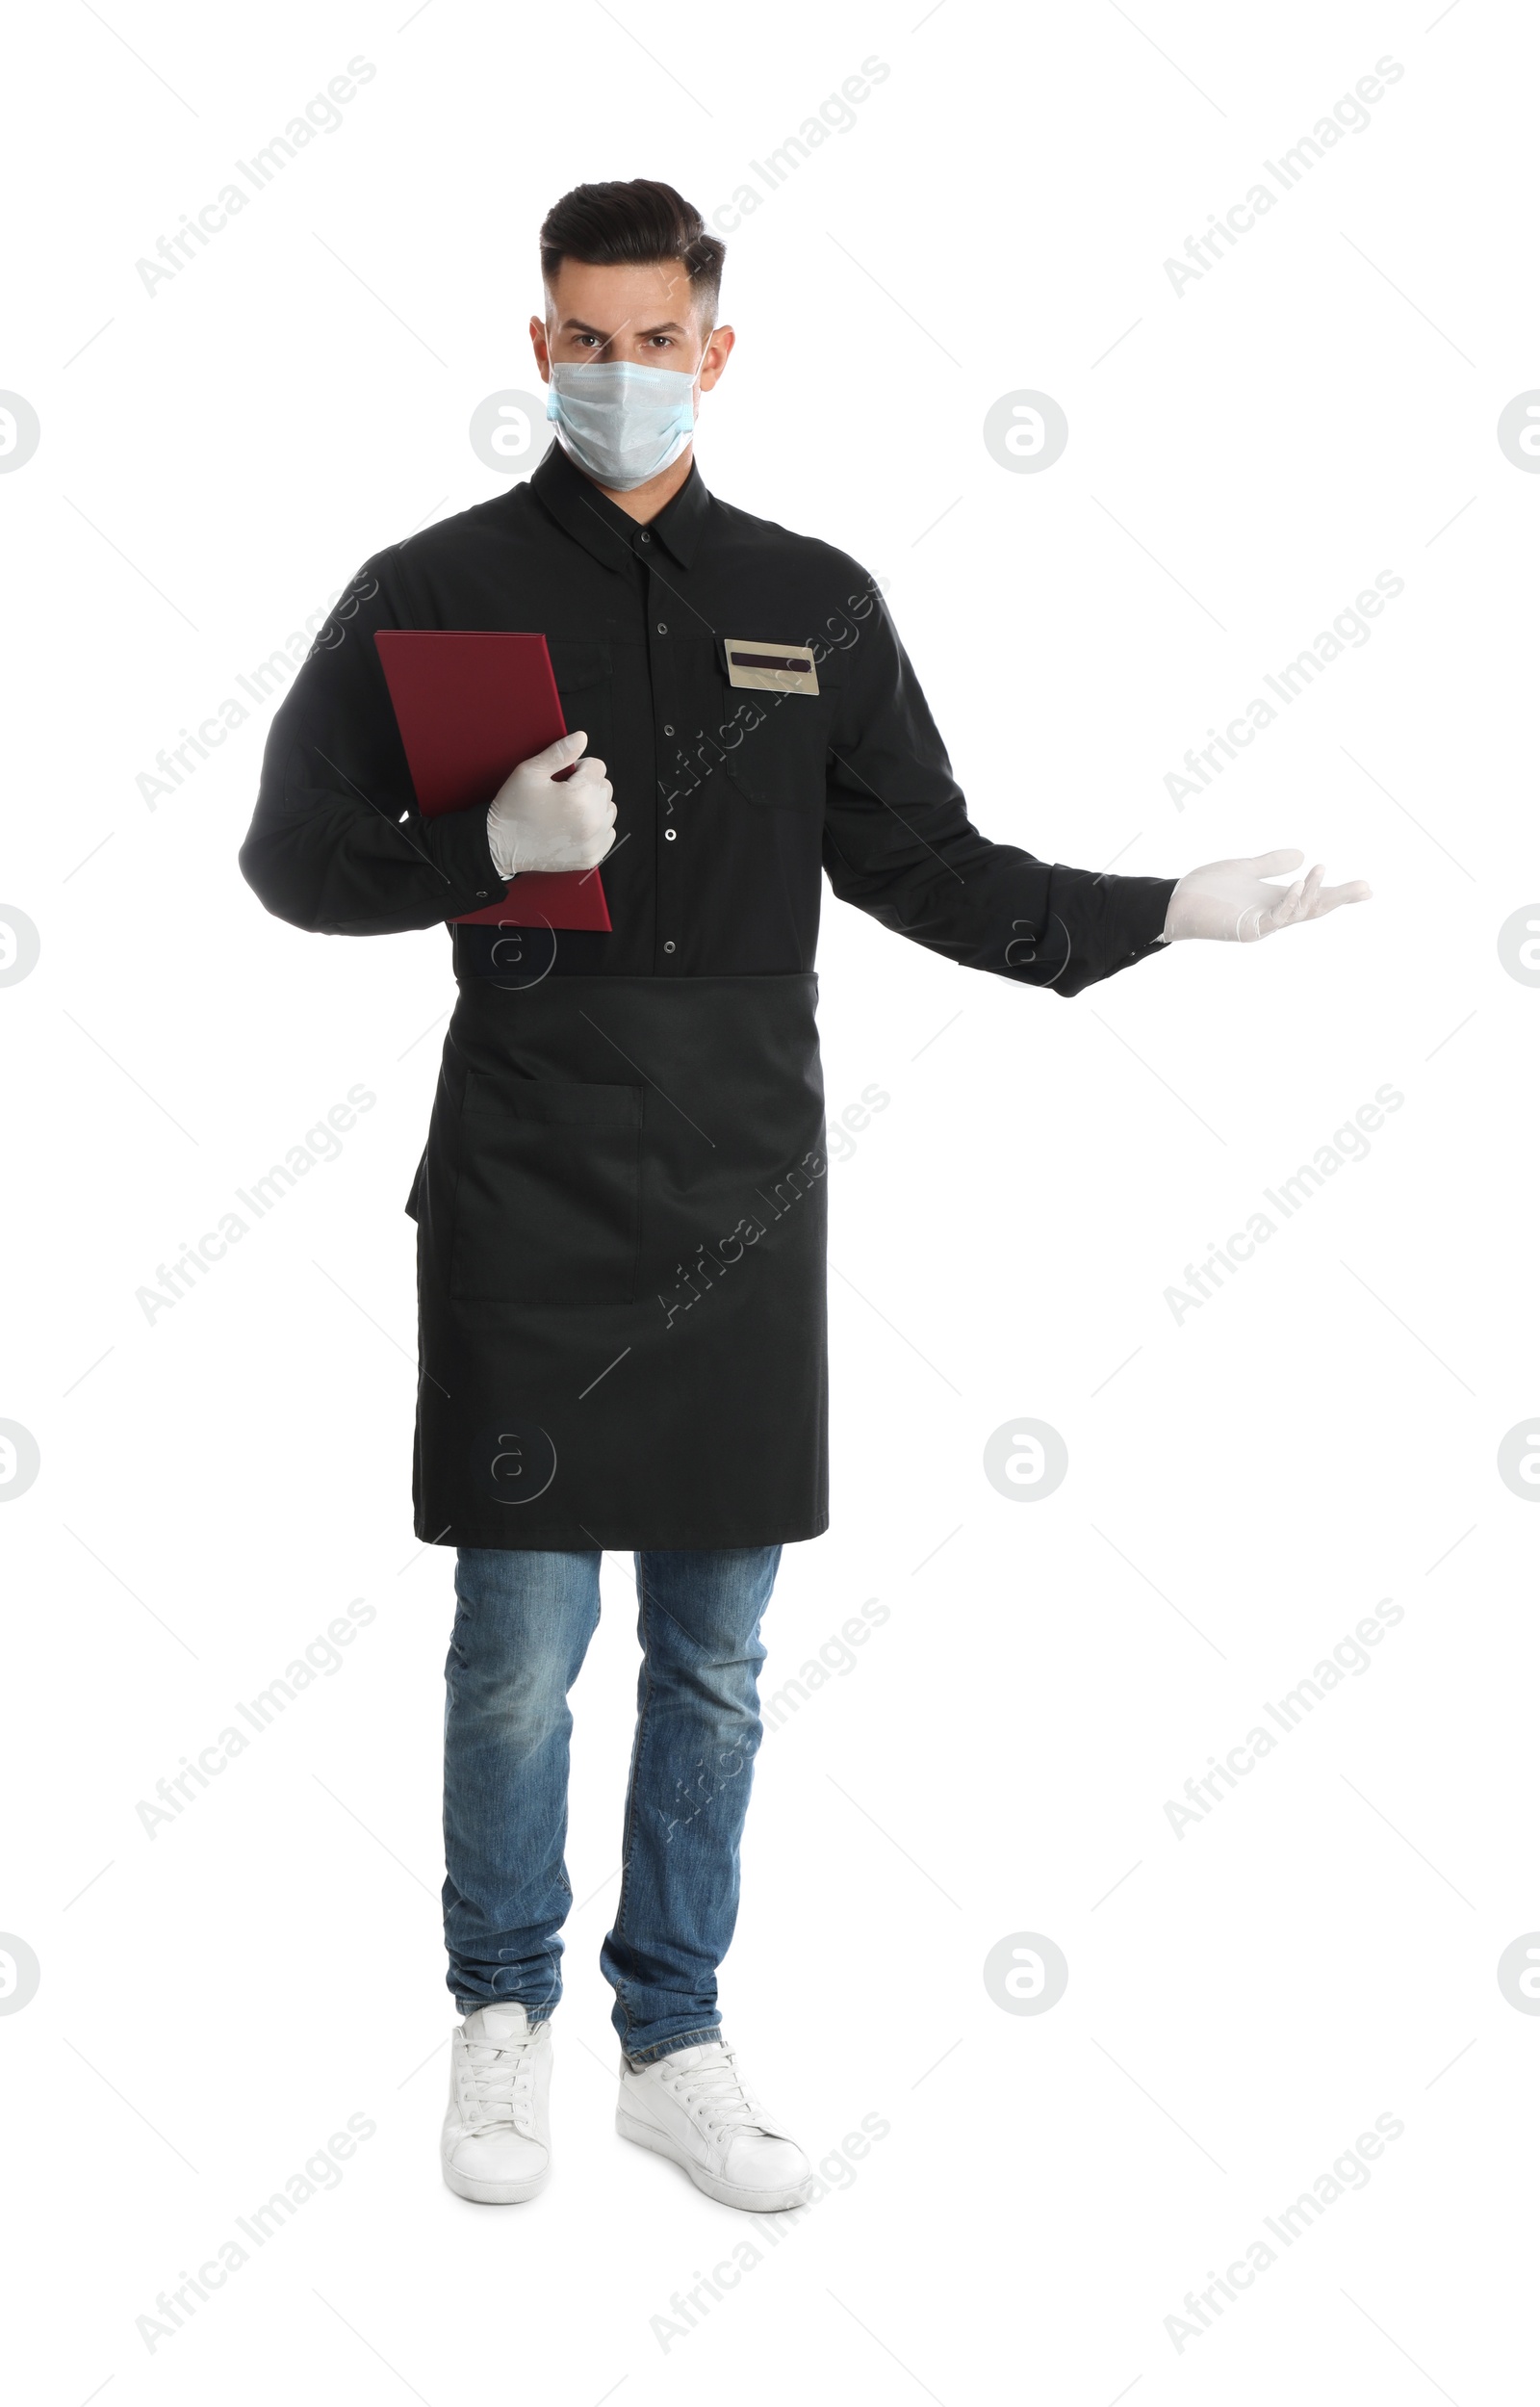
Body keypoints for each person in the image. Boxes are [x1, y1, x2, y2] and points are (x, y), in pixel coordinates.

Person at [238, 178, 1369, 2215]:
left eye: (651, 337)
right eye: (579, 337)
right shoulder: (426, 593)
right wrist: (479, 843)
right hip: (526, 1175)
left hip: (741, 1184)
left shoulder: (816, 599)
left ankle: (671, 2035)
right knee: (518, 1638)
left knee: (721, 1650)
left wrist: (1169, 910)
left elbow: (928, 864)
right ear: (536, 348)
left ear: (713, 350)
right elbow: (287, 862)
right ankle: (499, 2022)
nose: (615, 372)